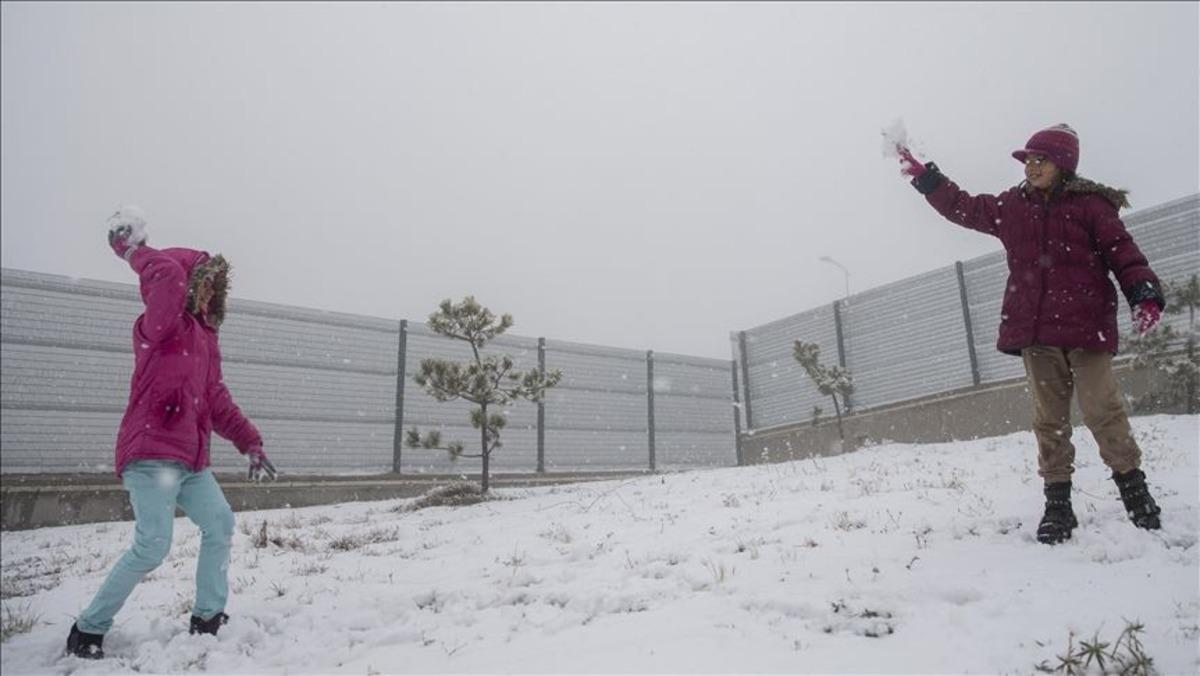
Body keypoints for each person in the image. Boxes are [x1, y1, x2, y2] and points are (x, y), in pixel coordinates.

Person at [895, 124, 1165, 545]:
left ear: (1063, 165)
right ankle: (1058, 504)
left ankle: (1135, 493)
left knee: (1102, 411)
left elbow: (1123, 253)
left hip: (1086, 328)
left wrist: (1143, 293)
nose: (1032, 166)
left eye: (1041, 159)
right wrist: (927, 178)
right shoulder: (1012, 206)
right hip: (1036, 332)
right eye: (1028, 160)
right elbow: (963, 207)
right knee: (1049, 421)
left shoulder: (1091, 206)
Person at [66, 208, 278, 659]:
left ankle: (207, 617)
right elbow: (166, 279)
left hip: (190, 461)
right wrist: (137, 251)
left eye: (214, 288)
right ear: (186, 284)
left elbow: (216, 399)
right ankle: (88, 628)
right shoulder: (160, 326)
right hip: (151, 454)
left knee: (219, 524)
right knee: (153, 545)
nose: (207, 294)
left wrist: (251, 443)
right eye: (202, 283)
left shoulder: (204, 338)